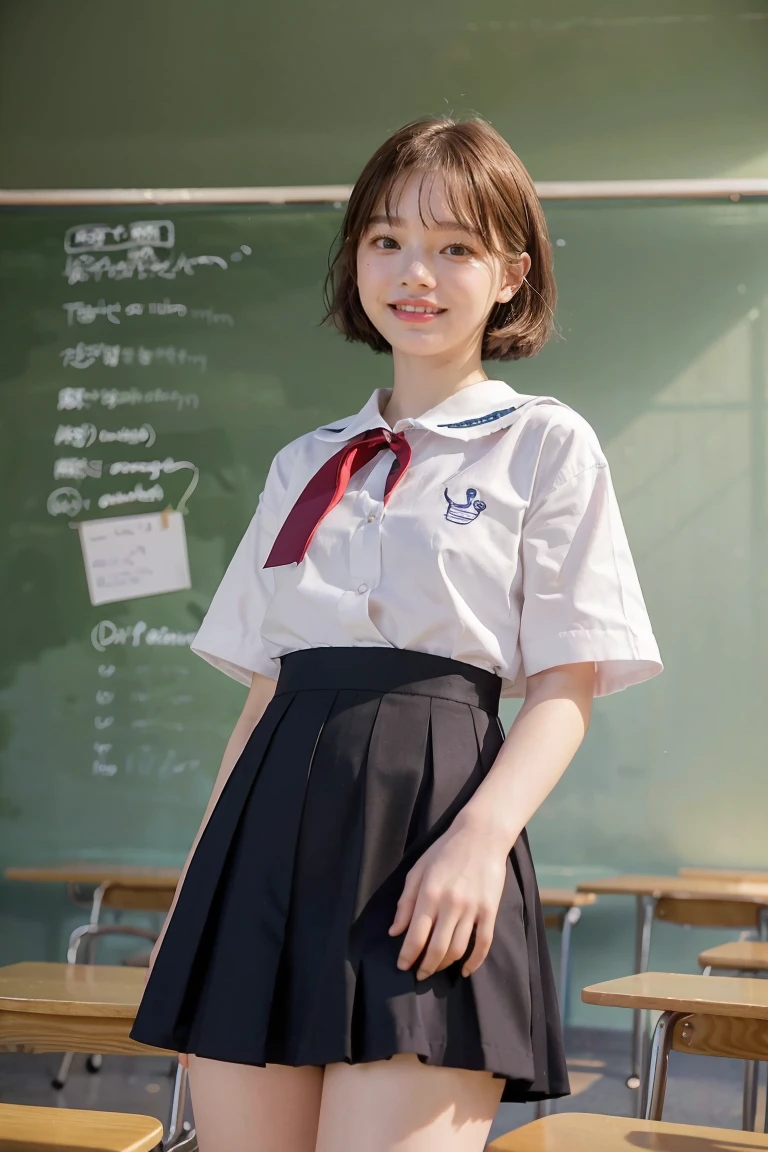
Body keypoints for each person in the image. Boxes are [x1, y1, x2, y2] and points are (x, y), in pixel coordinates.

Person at [130, 115, 662, 1152]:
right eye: (386, 240)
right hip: (263, 850)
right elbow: (261, 697)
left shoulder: (543, 442)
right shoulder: (305, 462)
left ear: (511, 273)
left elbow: (567, 685)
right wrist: (195, 899)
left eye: (456, 246)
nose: (416, 273)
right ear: (356, 259)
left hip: (434, 840)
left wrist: (479, 840)